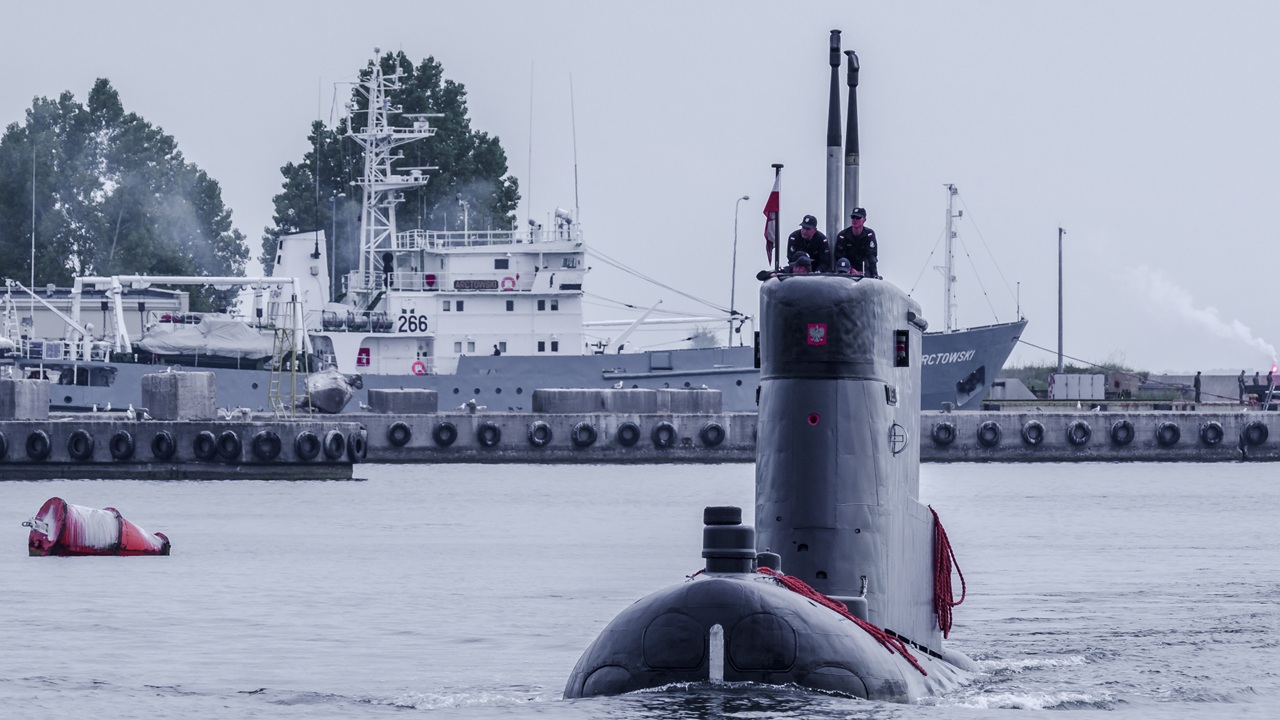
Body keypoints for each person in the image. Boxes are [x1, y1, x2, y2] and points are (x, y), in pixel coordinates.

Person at [832, 207, 878, 277]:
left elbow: (871, 256)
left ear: (864, 220)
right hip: (846, 269)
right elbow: (839, 257)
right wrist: (851, 270)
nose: (855, 220)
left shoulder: (869, 235)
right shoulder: (843, 236)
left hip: (864, 270)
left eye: (858, 218)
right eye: (853, 217)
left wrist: (874, 274)